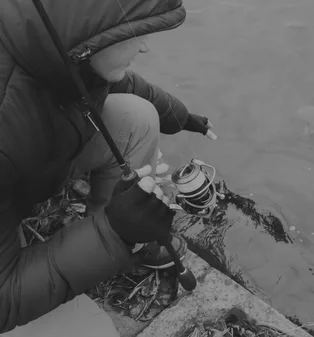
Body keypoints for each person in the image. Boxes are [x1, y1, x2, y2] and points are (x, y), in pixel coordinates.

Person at [0, 0, 216, 335]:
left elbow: (122, 83)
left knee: (139, 117)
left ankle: (126, 246)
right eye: (132, 34)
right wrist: (113, 231)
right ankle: (114, 238)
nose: (144, 46)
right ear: (87, 34)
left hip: (34, 160)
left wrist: (183, 117)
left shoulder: (68, 49)